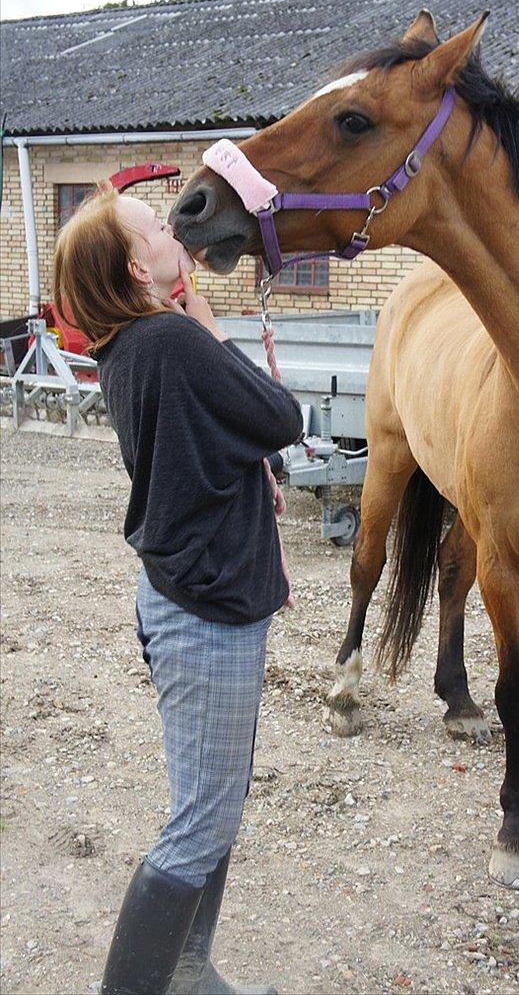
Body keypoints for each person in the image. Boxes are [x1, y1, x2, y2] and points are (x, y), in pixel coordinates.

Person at [53, 183, 302, 995]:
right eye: (157, 227)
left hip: (195, 598)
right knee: (200, 823)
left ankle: (188, 973)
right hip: (205, 613)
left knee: (214, 808)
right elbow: (281, 416)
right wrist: (204, 319)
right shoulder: (170, 341)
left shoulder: (133, 344)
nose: (173, 229)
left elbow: (230, 439)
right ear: (137, 267)